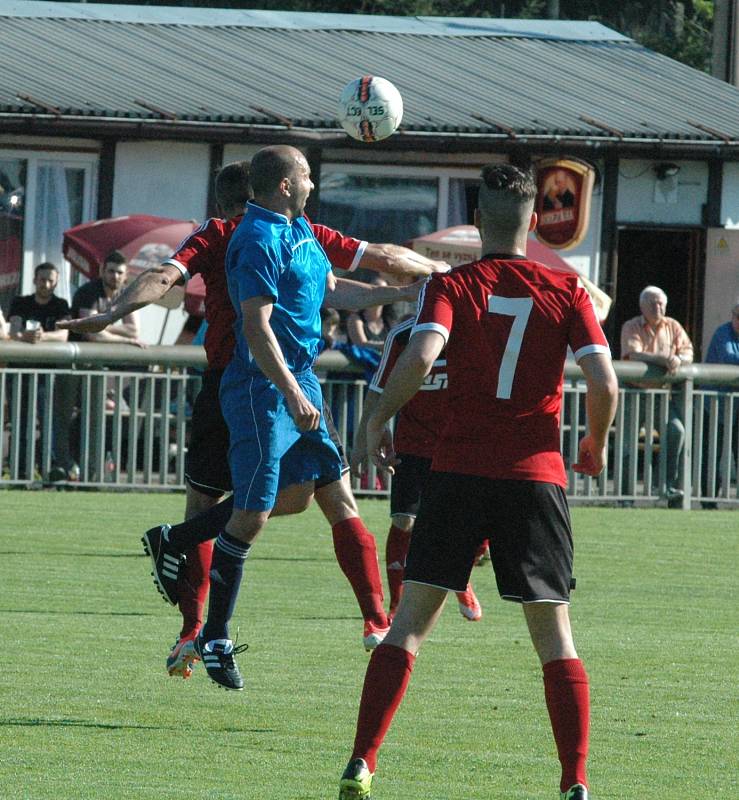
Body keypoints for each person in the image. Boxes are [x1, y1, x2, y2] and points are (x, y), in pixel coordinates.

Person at [60, 159, 447, 682]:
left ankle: (372, 620)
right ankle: (197, 628)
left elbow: (348, 276)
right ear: (267, 191)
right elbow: (165, 279)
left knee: (313, 495)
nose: (314, 183)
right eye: (306, 175)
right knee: (240, 507)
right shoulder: (235, 235)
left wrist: (419, 285)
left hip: (293, 378)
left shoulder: (299, 228)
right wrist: (111, 313)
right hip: (242, 384)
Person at [336, 164, 618, 800]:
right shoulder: (566, 288)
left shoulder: (451, 285)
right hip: (534, 477)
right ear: (533, 220)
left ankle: (362, 762)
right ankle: (575, 780)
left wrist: (375, 420)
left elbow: (421, 355)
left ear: (478, 216)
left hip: (458, 470)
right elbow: (604, 382)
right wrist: (594, 443)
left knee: (408, 623)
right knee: (555, 637)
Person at [352, 315, 482, 623]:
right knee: (403, 521)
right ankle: (397, 604)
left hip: (458, 444)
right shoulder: (402, 336)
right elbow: (378, 389)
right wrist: (361, 443)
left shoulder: (474, 329)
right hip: (412, 443)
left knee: (466, 523)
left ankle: (460, 580)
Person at [620, 285, 694, 505]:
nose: (658, 307)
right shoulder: (631, 325)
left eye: (661, 303)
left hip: (661, 394)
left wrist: (679, 359)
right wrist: (665, 359)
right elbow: (633, 354)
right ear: (642, 306)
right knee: (628, 442)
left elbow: (688, 350)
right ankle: (625, 496)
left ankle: (666, 488)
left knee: (676, 431)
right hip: (634, 392)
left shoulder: (673, 326)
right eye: (653, 303)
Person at [7, 262, 71, 479]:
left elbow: (64, 335)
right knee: (20, 421)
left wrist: (42, 336)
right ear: (34, 280)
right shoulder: (20, 302)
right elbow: (14, 329)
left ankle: (47, 471)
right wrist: (24, 335)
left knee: (48, 422)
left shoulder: (61, 305)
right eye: (42, 279)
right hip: (20, 372)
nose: (46, 284)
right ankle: (19, 470)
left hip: (47, 375)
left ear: (56, 282)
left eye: (50, 280)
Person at [700, 300, 739, 506]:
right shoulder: (722, 332)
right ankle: (708, 500)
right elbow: (728, 357)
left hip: (736, 406)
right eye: (738, 316)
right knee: (713, 454)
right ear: (732, 316)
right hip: (716, 405)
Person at [70, 251, 143, 346]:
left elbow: (134, 331)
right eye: (111, 271)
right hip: (77, 351)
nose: (115, 276)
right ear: (102, 271)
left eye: (120, 273)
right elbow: (92, 334)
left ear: (126, 275)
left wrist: (101, 326)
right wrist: (127, 341)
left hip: (104, 350)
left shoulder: (127, 295)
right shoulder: (88, 292)